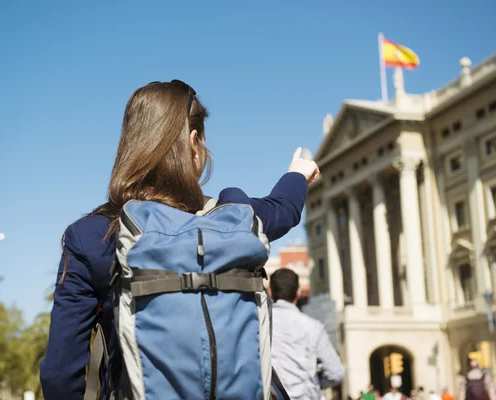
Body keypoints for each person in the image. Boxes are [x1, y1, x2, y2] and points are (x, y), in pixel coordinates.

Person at [39, 79, 319, 399]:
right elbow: (282, 209)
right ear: (193, 141)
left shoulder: (91, 236)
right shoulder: (234, 221)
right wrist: (298, 174)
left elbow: (60, 374)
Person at [269, 268, 345, 400]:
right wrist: (315, 382)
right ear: (299, 292)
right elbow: (336, 372)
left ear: (270, 292)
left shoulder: (260, 325)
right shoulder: (313, 327)